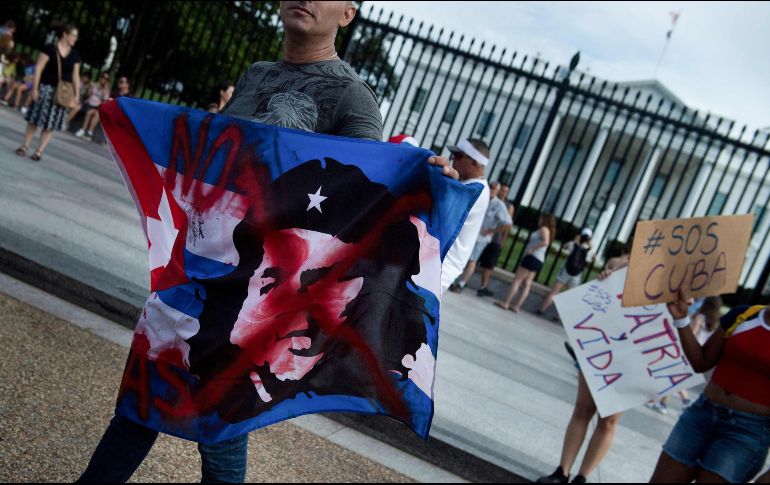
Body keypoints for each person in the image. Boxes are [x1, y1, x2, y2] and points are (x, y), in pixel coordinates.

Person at [79, 2, 457, 483]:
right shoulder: (256, 75)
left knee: (218, 433)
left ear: (347, 14)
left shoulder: (352, 97)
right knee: (139, 406)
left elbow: (366, 193)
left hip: (256, 297)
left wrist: (426, 182)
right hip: (200, 276)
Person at [649, 293, 770, 483]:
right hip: (701, 415)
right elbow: (701, 361)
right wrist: (681, 319)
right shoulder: (743, 315)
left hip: (747, 433)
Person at [536, 246, 631, 484]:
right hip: (601, 343)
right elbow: (599, 297)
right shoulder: (618, 262)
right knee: (583, 408)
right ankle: (563, 472)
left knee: (608, 419)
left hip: (632, 353)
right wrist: (605, 278)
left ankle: (582, 477)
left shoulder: (662, 277)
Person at [14, 22, 80, 162]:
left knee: (51, 124)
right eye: (73, 35)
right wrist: (35, 88)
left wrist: (77, 94)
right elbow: (38, 68)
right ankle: (25, 146)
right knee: (34, 119)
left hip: (62, 93)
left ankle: (39, 151)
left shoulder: (74, 55)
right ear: (65, 34)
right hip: (45, 89)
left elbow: (75, 76)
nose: (75, 38)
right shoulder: (49, 49)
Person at [645, 296, 723, 415]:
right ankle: (662, 402)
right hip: (700, 351)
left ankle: (679, 401)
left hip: (689, 350)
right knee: (675, 376)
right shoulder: (716, 322)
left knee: (673, 375)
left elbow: (691, 333)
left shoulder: (700, 317)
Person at [440, 138, 492, 293]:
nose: (452, 159)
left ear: (475, 162)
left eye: (458, 156)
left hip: (444, 265)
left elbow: (442, 211)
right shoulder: (472, 186)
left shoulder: (476, 189)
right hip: (440, 262)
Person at [448, 180, 511, 294]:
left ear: (497, 191)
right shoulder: (483, 198)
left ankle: (461, 284)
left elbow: (507, 223)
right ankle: (452, 280)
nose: (492, 190)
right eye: (490, 187)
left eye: (494, 188)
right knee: (462, 256)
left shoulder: (499, 205)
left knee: (472, 260)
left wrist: (492, 231)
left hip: (482, 237)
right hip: (470, 233)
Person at [495, 213, 557, 313]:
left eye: (541, 218)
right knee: (527, 283)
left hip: (532, 257)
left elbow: (546, 242)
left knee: (517, 280)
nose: (539, 220)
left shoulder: (544, 229)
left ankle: (506, 303)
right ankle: (517, 306)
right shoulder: (546, 229)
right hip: (538, 259)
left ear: (544, 219)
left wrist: (532, 249)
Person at [537, 228, 593, 315]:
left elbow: (564, 246)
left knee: (554, 292)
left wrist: (576, 240)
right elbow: (593, 258)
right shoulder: (589, 249)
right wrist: (590, 244)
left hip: (566, 270)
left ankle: (541, 310)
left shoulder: (573, 244)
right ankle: (559, 317)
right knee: (569, 296)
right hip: (577, 274)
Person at [475, 183, 514, 297]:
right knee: (476, 259)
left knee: (488, 264)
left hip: (495, 239)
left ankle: (483, 286)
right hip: (481, 235)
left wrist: (502, 240)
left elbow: (507, 225)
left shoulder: (508, 206)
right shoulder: (490, 199)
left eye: (506, 192)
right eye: (502, 190)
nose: (503, 193)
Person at [75, 72, 111, 140]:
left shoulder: (106, 89)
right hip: (89, 104)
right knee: (89, 112)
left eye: (106, 78)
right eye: (103, 77)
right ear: (100, 77)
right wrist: (90, 89)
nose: (104, 79)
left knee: (96, 114)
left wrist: (104, 90)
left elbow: (105, 100)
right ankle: (83, 130)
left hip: (97, 107)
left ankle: (89, 132)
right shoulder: (94, 85)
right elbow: (87, 95)